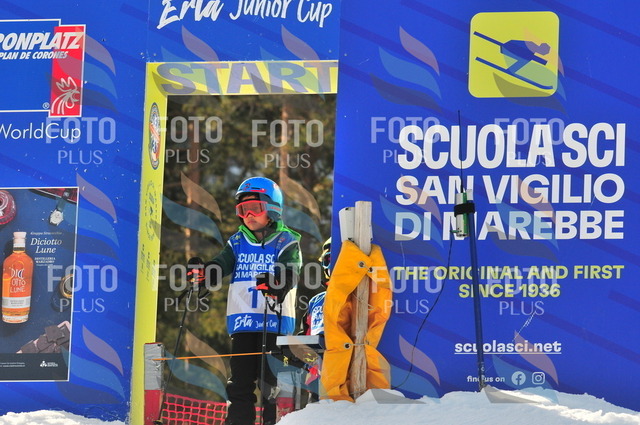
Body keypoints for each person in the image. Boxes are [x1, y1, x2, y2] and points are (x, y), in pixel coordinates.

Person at [189, 177, 301, 425]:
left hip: (274, 324)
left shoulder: (286, 240)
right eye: (242, 210)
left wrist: (278, 282)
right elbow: (221, 264)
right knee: (239, 384)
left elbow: (291, 270)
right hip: (243, 324)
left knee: (272, 385)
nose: (248, 215)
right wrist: (204, 274)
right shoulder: (237, 242)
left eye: (255, 208)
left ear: (272, 209)